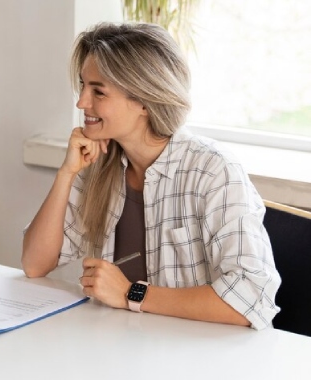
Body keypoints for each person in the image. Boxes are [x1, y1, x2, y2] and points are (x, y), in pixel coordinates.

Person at [21, 22, 279, 329]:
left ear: (144, 100)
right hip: (127, 348)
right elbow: (35, 264)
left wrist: (131, 293)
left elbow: (252, 299)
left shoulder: (214, 171)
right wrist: (66, 174)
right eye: (83, 86)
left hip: (203, 359)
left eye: (98, 91)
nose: (82, 102)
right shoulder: (100, 165)